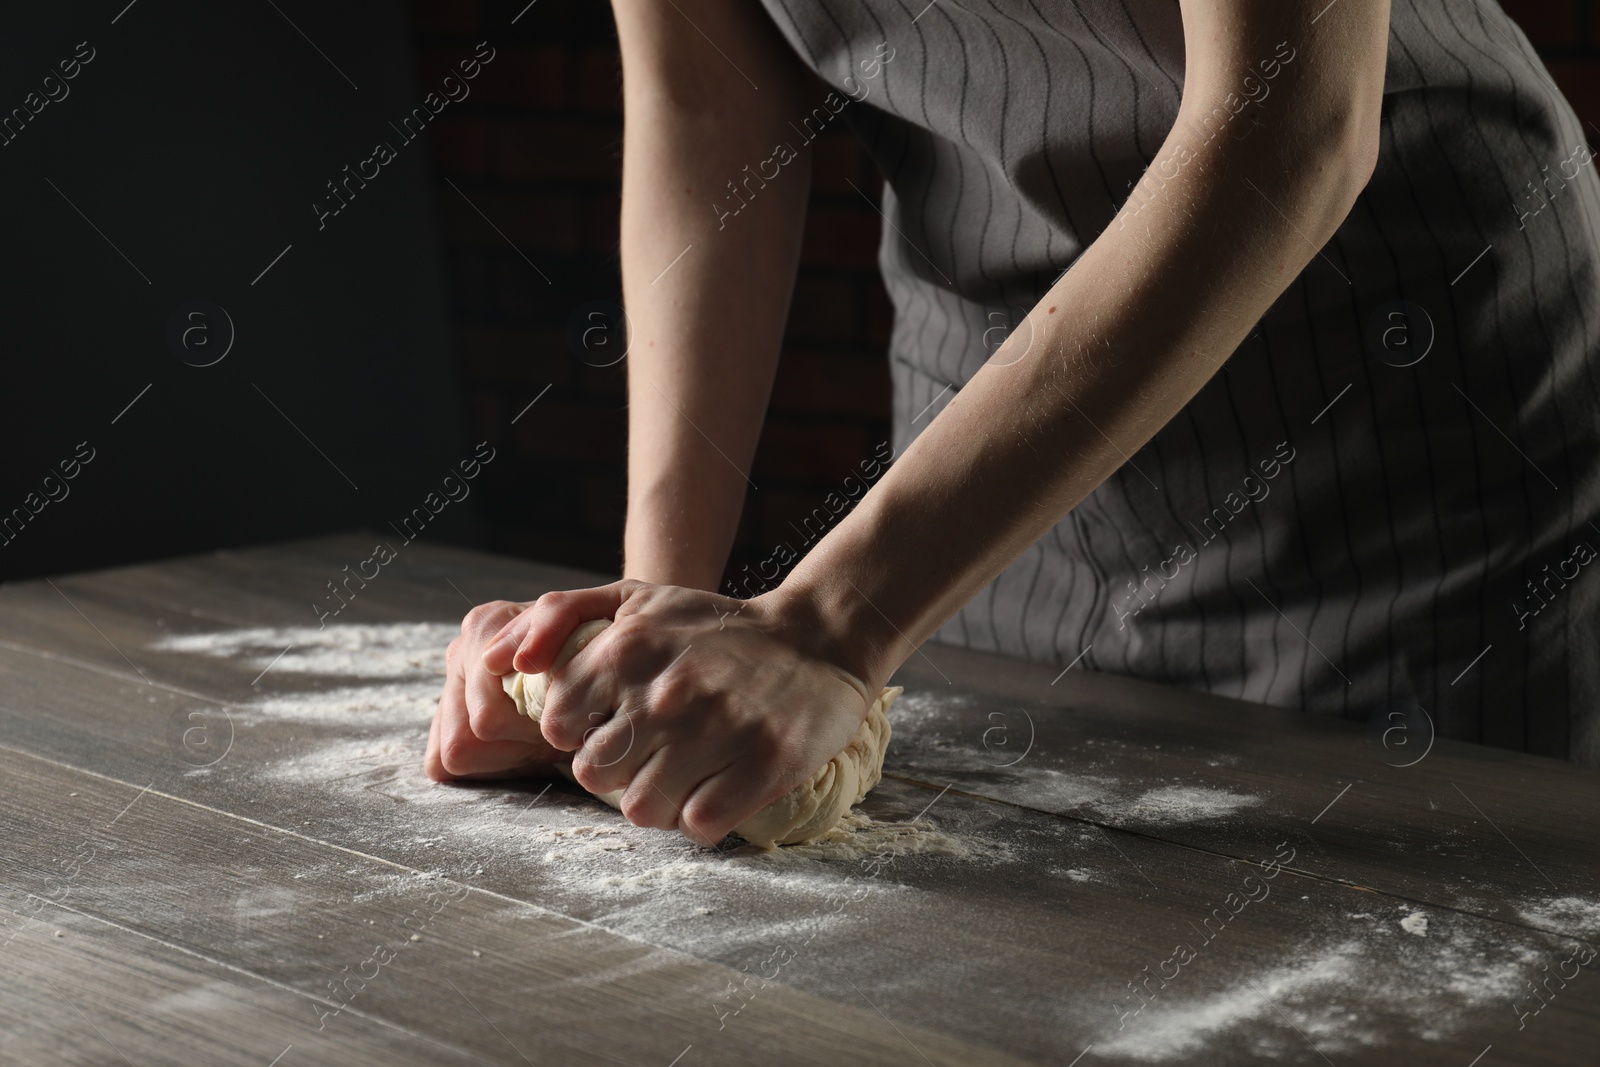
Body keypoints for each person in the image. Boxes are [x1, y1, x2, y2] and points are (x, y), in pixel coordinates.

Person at [426, 0, 1600, 844]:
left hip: (1389, 398)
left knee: (1390, 933)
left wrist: (837, 620)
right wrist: (644, 636)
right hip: (999, 405)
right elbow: (703, 103)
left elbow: (1286, 127)